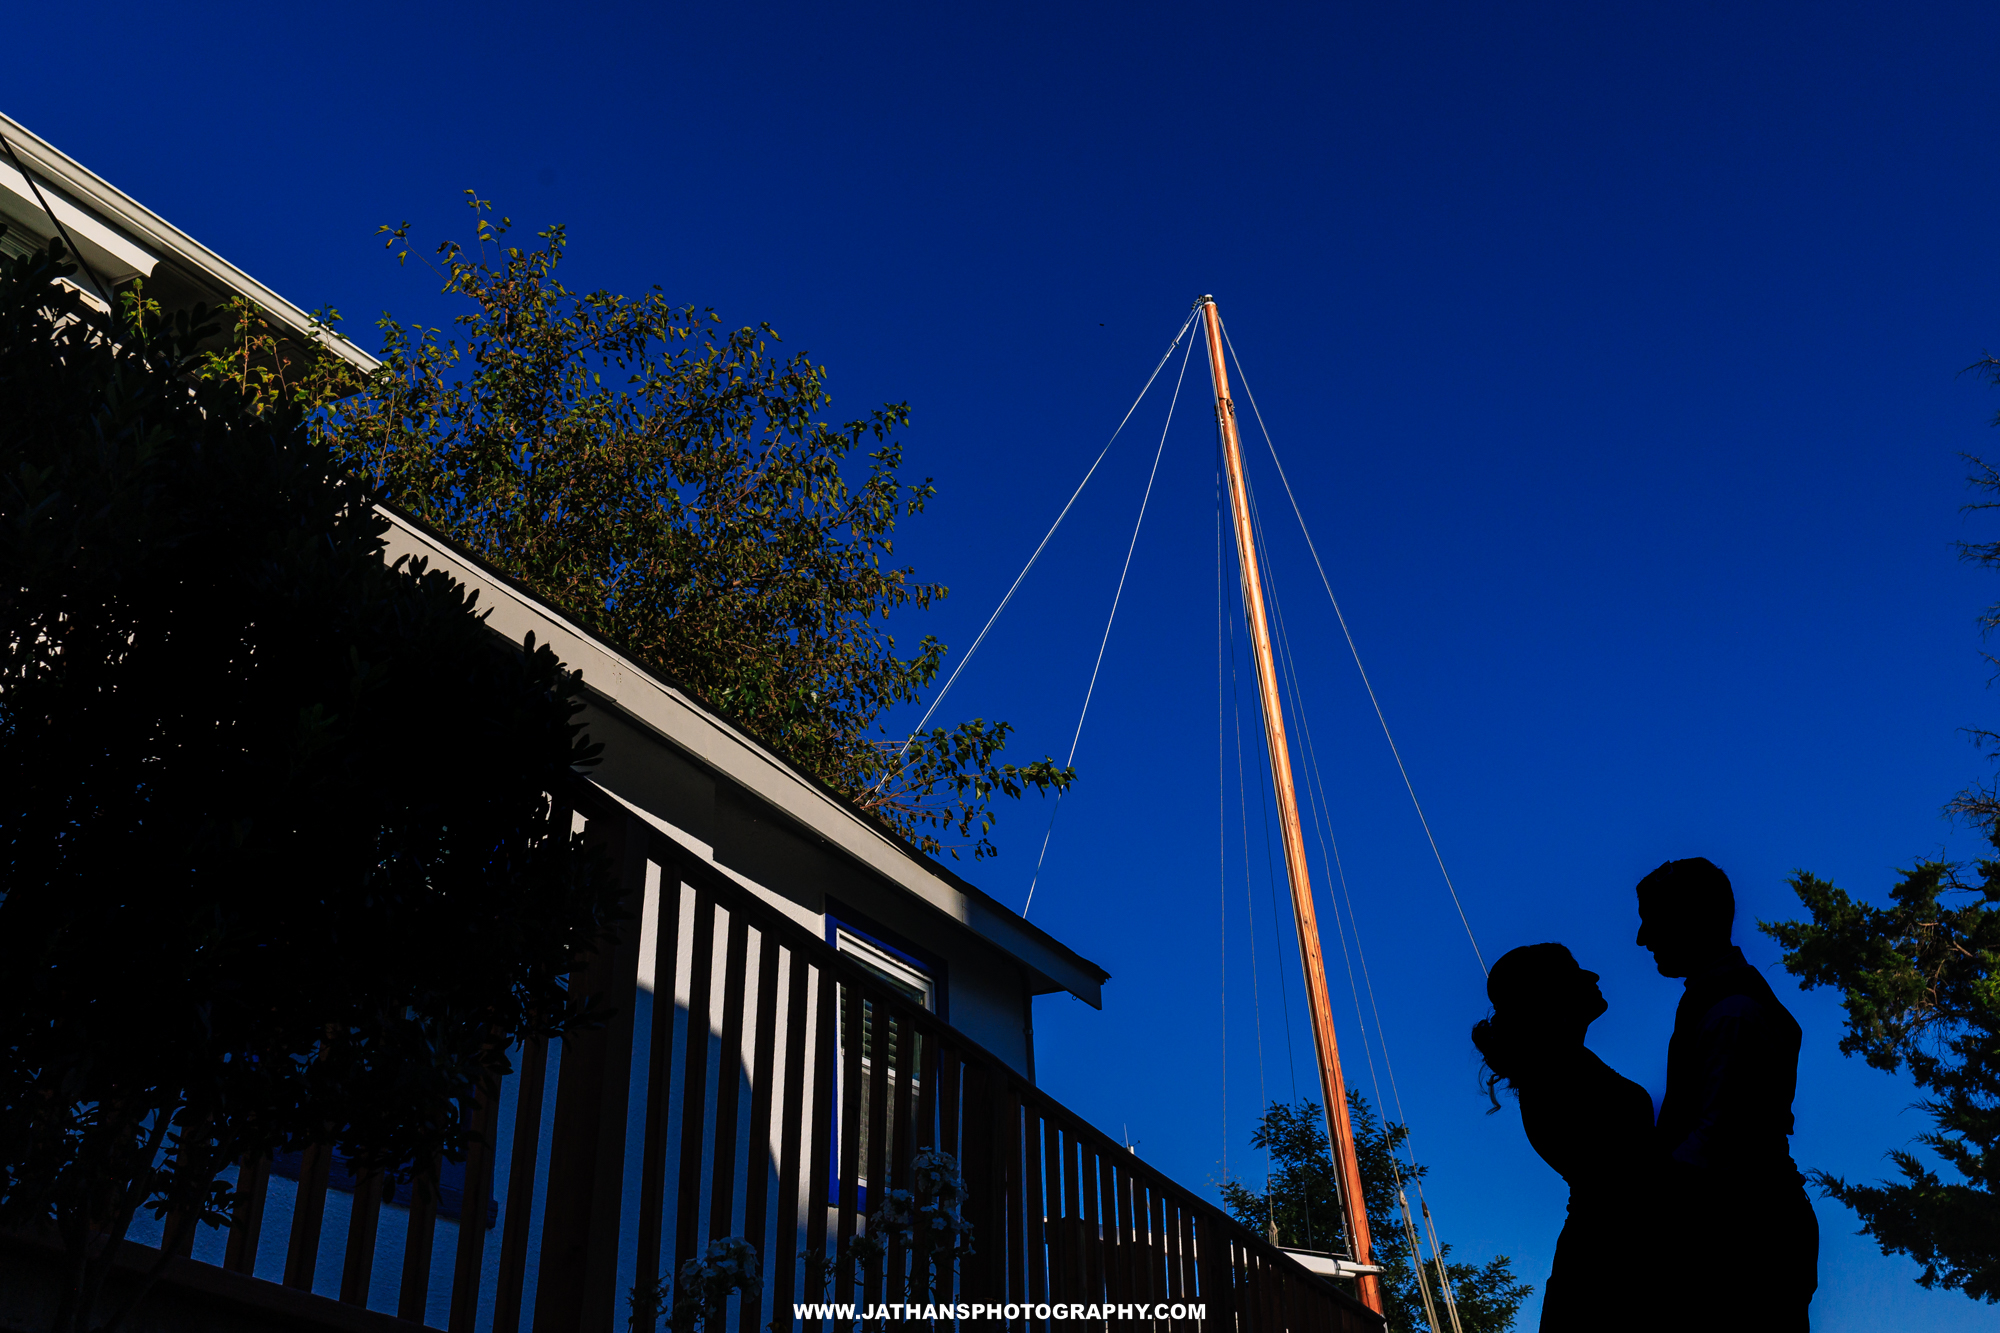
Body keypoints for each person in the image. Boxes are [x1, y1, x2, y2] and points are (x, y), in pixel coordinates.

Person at [1637, 857, 1818, 1331]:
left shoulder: (1731, 1013)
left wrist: (1638, 1200)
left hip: (1740, 1242)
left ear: (1691, 918)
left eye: (1652, 921)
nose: (1642, 937)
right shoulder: (1723, 1004)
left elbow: (1718, 1142)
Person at [1472, 943, 1662, 1332]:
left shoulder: (1559, 1067)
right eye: (1575, 972)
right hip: (1611, 1261)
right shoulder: (1556, 1074)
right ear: (1548, 995)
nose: (1592, 977)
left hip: (1605, 1253)